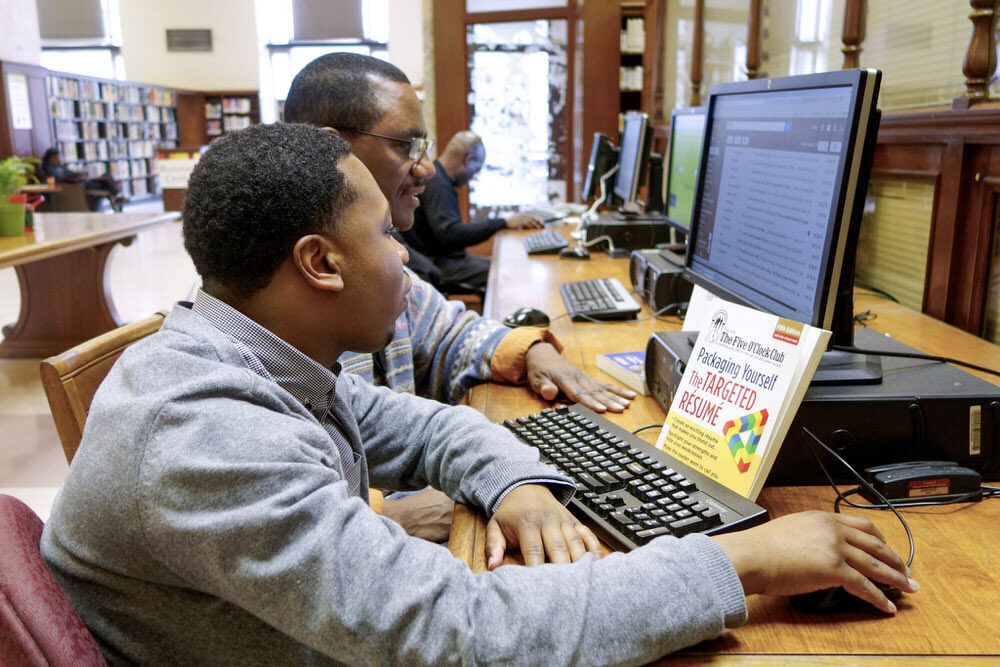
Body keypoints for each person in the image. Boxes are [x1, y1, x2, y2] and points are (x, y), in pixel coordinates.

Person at [41, 123, 918, 665]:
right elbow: (463, 633)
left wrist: (514, 481)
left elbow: (419, 425)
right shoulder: (204, 431)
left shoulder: (261, 357)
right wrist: (743, 561)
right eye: (385, 235)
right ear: (321, 262)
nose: (405, 257)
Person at [283, 53, 635, 539]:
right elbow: (290, 519)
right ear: (333, 150)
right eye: (406, 145)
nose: (427, 167)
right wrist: (388, 516)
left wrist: (529, 350)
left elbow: (446, 335)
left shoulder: (372, 276)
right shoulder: (271, 316)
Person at [402, 130, 543, 291]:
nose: (473, 176)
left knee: (503, 264)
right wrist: (504, 223)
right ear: (468, 159)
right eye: (476, 170)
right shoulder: (437, 184)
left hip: (450, 260)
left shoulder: (441, 180)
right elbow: (451, 234)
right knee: (506, 274)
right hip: (441, 266)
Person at [39, 148, 127, 212]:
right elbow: (60, 178)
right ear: (51, 158)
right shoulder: (48, 168)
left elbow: (71, 172)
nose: (59, 159)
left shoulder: (61, 166)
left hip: (83, 182)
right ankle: (118, 196)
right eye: (57, 157)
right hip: (80, 186)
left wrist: (79, 173)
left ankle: (118, 195)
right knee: (107, 186)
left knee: (107, 175)